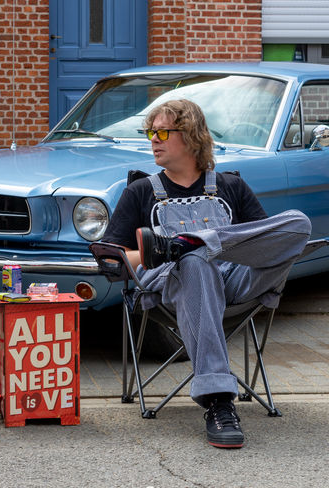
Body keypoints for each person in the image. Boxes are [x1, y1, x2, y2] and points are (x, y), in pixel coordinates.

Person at [102, 99, 311, 449]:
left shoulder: (231, 187)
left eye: (162, 132)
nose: (153, 139)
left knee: (298, 224)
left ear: (191, 135)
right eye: (150, 132)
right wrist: (160, 254)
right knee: (195, 263)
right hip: (173, 285)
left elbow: (265, 241)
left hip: (234, 280)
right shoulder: (141, 191)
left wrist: (209, 245)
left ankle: (193, 243)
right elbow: (110, 260)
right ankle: (218, 400)